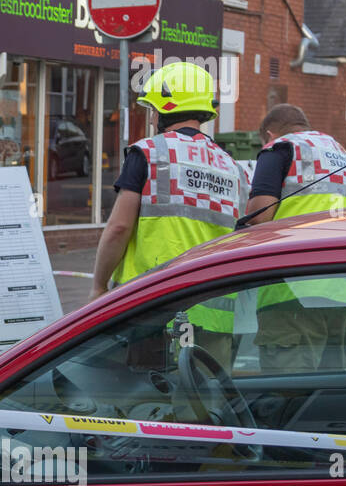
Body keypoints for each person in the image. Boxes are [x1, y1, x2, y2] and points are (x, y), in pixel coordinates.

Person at [89, 63, 245, 363]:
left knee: (149, 402)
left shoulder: (149, 153)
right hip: (214, 314)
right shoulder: (232, 166)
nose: (150, 117)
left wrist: (98, 287)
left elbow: (119, 228)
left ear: (164, 107)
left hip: (153, 303)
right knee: (203, 402)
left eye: (152, 108)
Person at [241, 104, 346, 371]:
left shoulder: (281, 148)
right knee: (327, 400)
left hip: (293, 291)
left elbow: (260, 216)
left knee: (289, 397)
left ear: (269, 133)